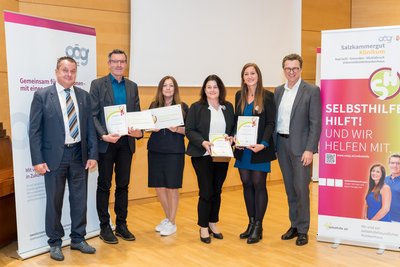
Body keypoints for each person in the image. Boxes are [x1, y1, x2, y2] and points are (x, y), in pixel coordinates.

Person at [29, 56, 98, 261]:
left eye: (73, 71)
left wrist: (93, 154)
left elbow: (89, 129)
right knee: (54, 201)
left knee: (79, 200)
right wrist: (37, 160)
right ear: (57, 72)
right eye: (65, 70)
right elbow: (34, 131)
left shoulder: (84, 96)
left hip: (79, 155)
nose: (69, 75)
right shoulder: (42, 96)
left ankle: (78, 239)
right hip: (53, 158)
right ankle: (55, 243)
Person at [90, 49, 142, 244]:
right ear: (109, 63)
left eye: (122, 62)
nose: (119, 65)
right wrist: (103, 135)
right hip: (106, 143)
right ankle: (104, 226)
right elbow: (93, 115)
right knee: (104, 185)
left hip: (126, 143)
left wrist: (139, 131)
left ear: (126, 64)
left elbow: (136, 113)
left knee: (123, 185)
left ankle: (121, 224)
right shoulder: (97, 85)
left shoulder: (132, 86)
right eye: (115, 61)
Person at [274, 53, 322, 246]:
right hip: (282, 145)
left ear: (301, 69)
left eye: (295, 68)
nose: (291, 72)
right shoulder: (278, 91)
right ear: (283, 70)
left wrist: (310, 149)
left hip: (301, 149)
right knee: (289, 189)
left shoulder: (311, 90)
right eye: (288, 68)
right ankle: (293, 225)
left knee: (302, 189)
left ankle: (303, 229)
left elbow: (315, 123)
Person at [186, 74, 235, 244]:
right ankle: (203, 226)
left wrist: (231, 137)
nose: (212, 90)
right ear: (204, 90)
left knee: (217, 190)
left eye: (215, 87)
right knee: (206, 191)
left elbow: (233, 129)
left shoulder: (228, 107)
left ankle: (213, 223)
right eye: (209, 87)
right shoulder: (196, 107)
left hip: (221, 155)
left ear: (220, 89)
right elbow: (189, 130)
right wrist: (202, 142)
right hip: (202, 155)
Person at [233, 63, 276, 244]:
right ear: (243, 78)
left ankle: (259, 226)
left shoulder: (267, 96)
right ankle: (250, 223)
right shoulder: (239, 96)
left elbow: (270, 123)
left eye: (252, 73)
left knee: (259, 184)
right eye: (246, 74)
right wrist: (235, 137)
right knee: (246, 184)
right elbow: (236, 120)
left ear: (258, 75)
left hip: (260, 149)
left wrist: (264, 144)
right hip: (243, 150)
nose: (249, 76)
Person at [147, 76, 188, 236]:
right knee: (159, 187)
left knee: (172, 188)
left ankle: (172, 221)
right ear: (161, 88)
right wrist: (152, 129)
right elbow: (146, 126)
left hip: (174, 151)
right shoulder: (154, 105)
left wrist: (177, 129)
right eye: (165, 85)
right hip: (156, 150)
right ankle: (168, 218)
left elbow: (190, 130)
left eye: (171, 85)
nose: (168, 88)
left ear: (175, 89)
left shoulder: (183, 107)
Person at [384, 154, 400, 222]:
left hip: (397, 221)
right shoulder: (384, 180)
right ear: (389, 164)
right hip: (384, 218)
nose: (394, 166)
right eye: (392, 163)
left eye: (398, 163)